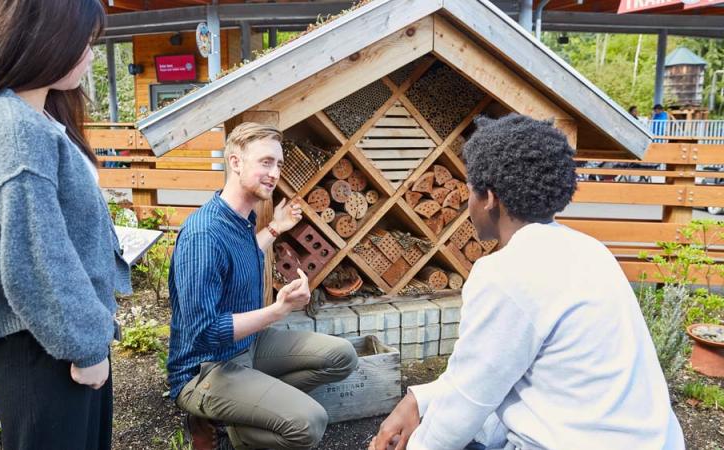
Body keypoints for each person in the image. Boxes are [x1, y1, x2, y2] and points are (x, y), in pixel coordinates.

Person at [370, 114, 684, 450]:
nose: (468, 205)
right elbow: (488, 374)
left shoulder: (506, 273)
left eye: (470, 191)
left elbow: (465, 406)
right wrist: (418, 399)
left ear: (489, 197)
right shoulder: (590, 251)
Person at [0, 1, 131, 449]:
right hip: (41, 345)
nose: (90, 55)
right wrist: (85, 347)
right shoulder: (11, 126)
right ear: (46, 39)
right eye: (84, 42)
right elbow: (37, 253)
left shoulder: (37, 115)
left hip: (58, 334)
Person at [168, 122, 359, 450]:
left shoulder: (240, 219)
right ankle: (230, 428)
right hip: (205, 368)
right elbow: (205, 333)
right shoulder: (204, 234)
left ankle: (246, 410)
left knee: (342, 356)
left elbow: (239, 258)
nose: (274, 173)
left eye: (279, 164)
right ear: (236, 162)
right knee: (309, 423)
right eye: (265, 162)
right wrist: (278, 310)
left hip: (249, 346)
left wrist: (275, 229)